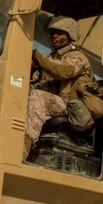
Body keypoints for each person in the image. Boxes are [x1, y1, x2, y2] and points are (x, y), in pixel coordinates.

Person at [24, 16, 94, 157]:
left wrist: (37, 56)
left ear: (70, 35)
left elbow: (63, 71)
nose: (55, 36)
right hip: (55, 104)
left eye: (60, 33)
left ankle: (23, 147)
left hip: (71, 107)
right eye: (53, 33)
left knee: (38, 97)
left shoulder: (77, 57)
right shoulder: (51, 58)